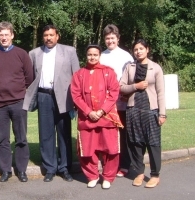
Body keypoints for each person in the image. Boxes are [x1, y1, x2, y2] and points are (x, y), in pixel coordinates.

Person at [23, 24, 80, 182]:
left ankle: (65, 168)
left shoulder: (69, 51)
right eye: (46, 35)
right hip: (44, 96)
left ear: (57, 36)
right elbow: (28, 77)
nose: (48, 38)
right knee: (46, 134)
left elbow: (77, 77)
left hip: (64, 97)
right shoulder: (34, 53)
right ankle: (50, 168)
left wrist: (76, 100)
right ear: (43, 37)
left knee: (64, 134)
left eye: (51, 35)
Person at [0, 21, 33, 183]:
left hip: (18, 102)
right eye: (1, 35)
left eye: (7, 34)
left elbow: (29, 77)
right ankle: (5, 170)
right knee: (2, 139)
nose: (4, 38)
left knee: (21, 138)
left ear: (12, 35)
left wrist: (18, 90)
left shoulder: (21, 54)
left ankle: (22, 170)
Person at [71, 44, 123, 189]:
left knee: (111, 149)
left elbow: (114, 93)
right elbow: (76, 95)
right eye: (89, 54)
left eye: (95, 54)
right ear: (86, 56)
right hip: (87, 119)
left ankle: (108, 177)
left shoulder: (109, 72)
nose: (92, 57)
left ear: (100, 56)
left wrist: (101, 111)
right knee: (86, 150)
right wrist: (89, 112)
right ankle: (92, 176)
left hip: (107, 118)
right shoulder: (79, 74)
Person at [120, 39, 166, 188]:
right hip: (133, 110)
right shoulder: (130, 67)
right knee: (135, 143)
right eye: (135, 49)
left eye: (141, 48)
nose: (138, 51)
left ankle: (154, 175)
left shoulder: (156, 68)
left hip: (151, 111)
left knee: (153, 143)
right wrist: (135, 86)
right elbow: (121, 87)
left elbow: (161, 93)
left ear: (147, 49)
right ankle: (139, 172)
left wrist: (162, 114)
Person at [100, 24, 134, 177]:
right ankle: (108, 163)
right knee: (107, 135)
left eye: (112, 38)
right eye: (107, 38)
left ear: (118, 39)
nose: (110, 41)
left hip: (122, 102)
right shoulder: (101, 56)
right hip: (105, 103)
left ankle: (125, 164)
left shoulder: (126, 56)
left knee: (124, 134)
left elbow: (131, 77)